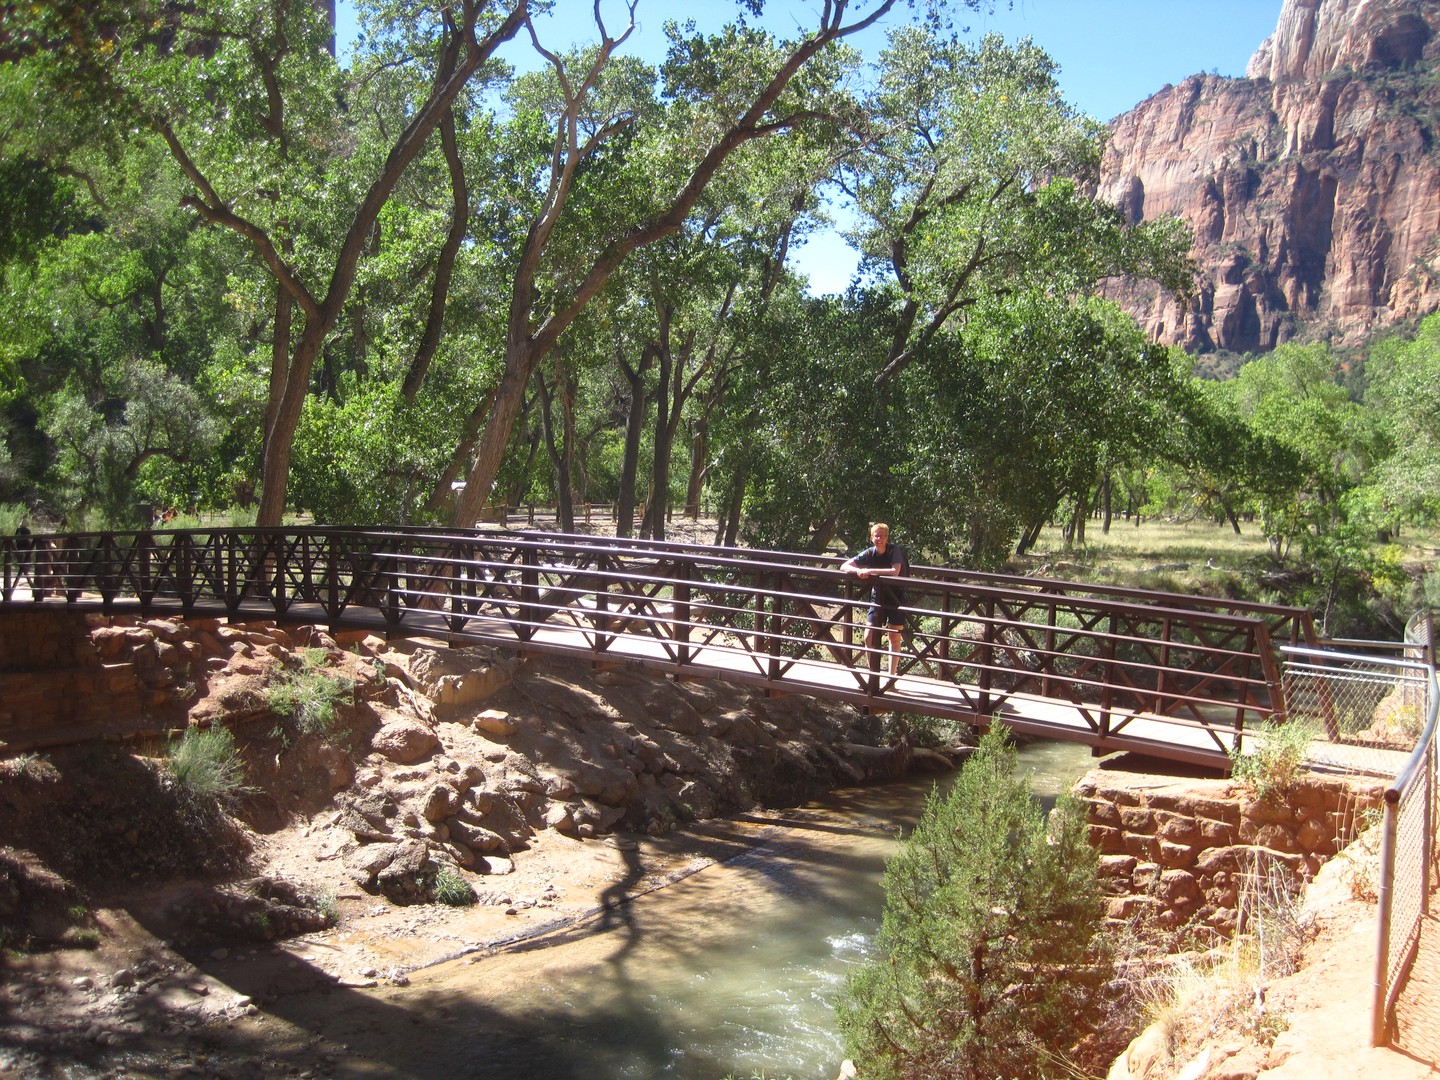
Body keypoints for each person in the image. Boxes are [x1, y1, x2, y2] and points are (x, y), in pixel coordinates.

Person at [842, 521, 909, 676]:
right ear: (872, 537)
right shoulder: (870, 552)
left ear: (887, 537)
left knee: (894, 637)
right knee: (869, 636)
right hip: (877, 597)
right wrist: (857, 571)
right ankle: (874, 675)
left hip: (896, 597)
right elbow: (845, 565)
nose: (879, 539)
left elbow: (895, 571)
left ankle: (891, 677)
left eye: (883, 536)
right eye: (876, 536)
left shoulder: (894, 550)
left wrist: (870, 571)